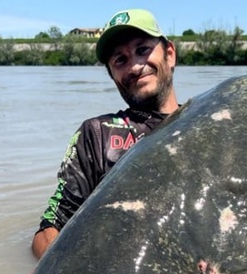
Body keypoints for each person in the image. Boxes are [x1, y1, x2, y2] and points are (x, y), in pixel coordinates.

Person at [31, 8, 179, 259]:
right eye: (120, 60)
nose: (134, 66)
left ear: (170, 54)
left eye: (142, 50)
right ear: (113, 75)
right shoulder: (97, 135)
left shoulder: (208, 122)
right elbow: (48, 229)